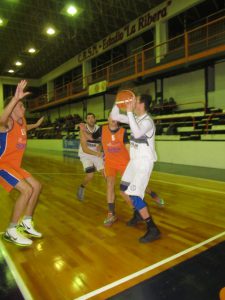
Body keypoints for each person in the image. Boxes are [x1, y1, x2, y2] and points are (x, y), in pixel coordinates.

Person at [111, 93, 161, 243]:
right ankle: (139, 213)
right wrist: (119, 101)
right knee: (123, 188)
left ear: (142, 104)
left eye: (135, 101)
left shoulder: (147, 122)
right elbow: (115, 116)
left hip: (144, 163)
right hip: (134, 162)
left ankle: (153, 228)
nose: (132, 102)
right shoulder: (136, 118)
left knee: (134, 195)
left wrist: (128, 111)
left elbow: (138, 132)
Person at [0, 80, 44, 246]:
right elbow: (1, 121)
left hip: (14, 166)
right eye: (19, 106)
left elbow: (26, 128)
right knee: (26, 190)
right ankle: (11, 230)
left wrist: (37, 125)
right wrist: (13, 100)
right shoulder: (7, 124)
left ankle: (26, 223)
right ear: (11, 111)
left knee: (37, 186)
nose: (23, 108)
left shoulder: (22, 122)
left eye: (22, 105)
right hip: (2, 165)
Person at [77, 113, 104, 200]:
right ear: (86, 120)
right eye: (88, 118)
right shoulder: (82, 130)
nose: (91, 119)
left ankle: (110, 193)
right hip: (85, 154)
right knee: (90, 175)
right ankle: (82, 187)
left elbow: (100, 143)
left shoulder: (98, 129)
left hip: (96, 153)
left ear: (95, 119)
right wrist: (97, 154)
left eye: (92, 117)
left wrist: (99, 150)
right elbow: (85, 149)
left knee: (105, 173)